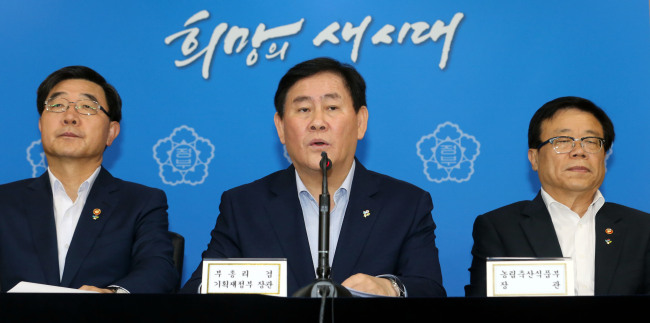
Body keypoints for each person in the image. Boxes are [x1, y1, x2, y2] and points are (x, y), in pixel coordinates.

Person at [181, 57, 445, 297]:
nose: (317, 122)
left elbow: (430, 290)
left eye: (331, 107)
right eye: (304, 109)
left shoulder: (406, 204)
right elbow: (195, 292)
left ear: (361, 121)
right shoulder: (244, 206)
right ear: (281, 127)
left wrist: (391, 287)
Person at [0, 66, 178, 293]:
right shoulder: (4, 202)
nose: (70, 117)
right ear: (41, 125)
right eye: (57, 105)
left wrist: (112, 294)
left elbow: (158, 269)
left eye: (87, 107)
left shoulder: (141, 202)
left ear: (111, 133)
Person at [465, 96, 650, 296]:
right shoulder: (500, 228)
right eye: (562, 141)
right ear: (534, 159)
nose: (579, 151)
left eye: (591, 142)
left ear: (604, 157)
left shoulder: (642, 230)